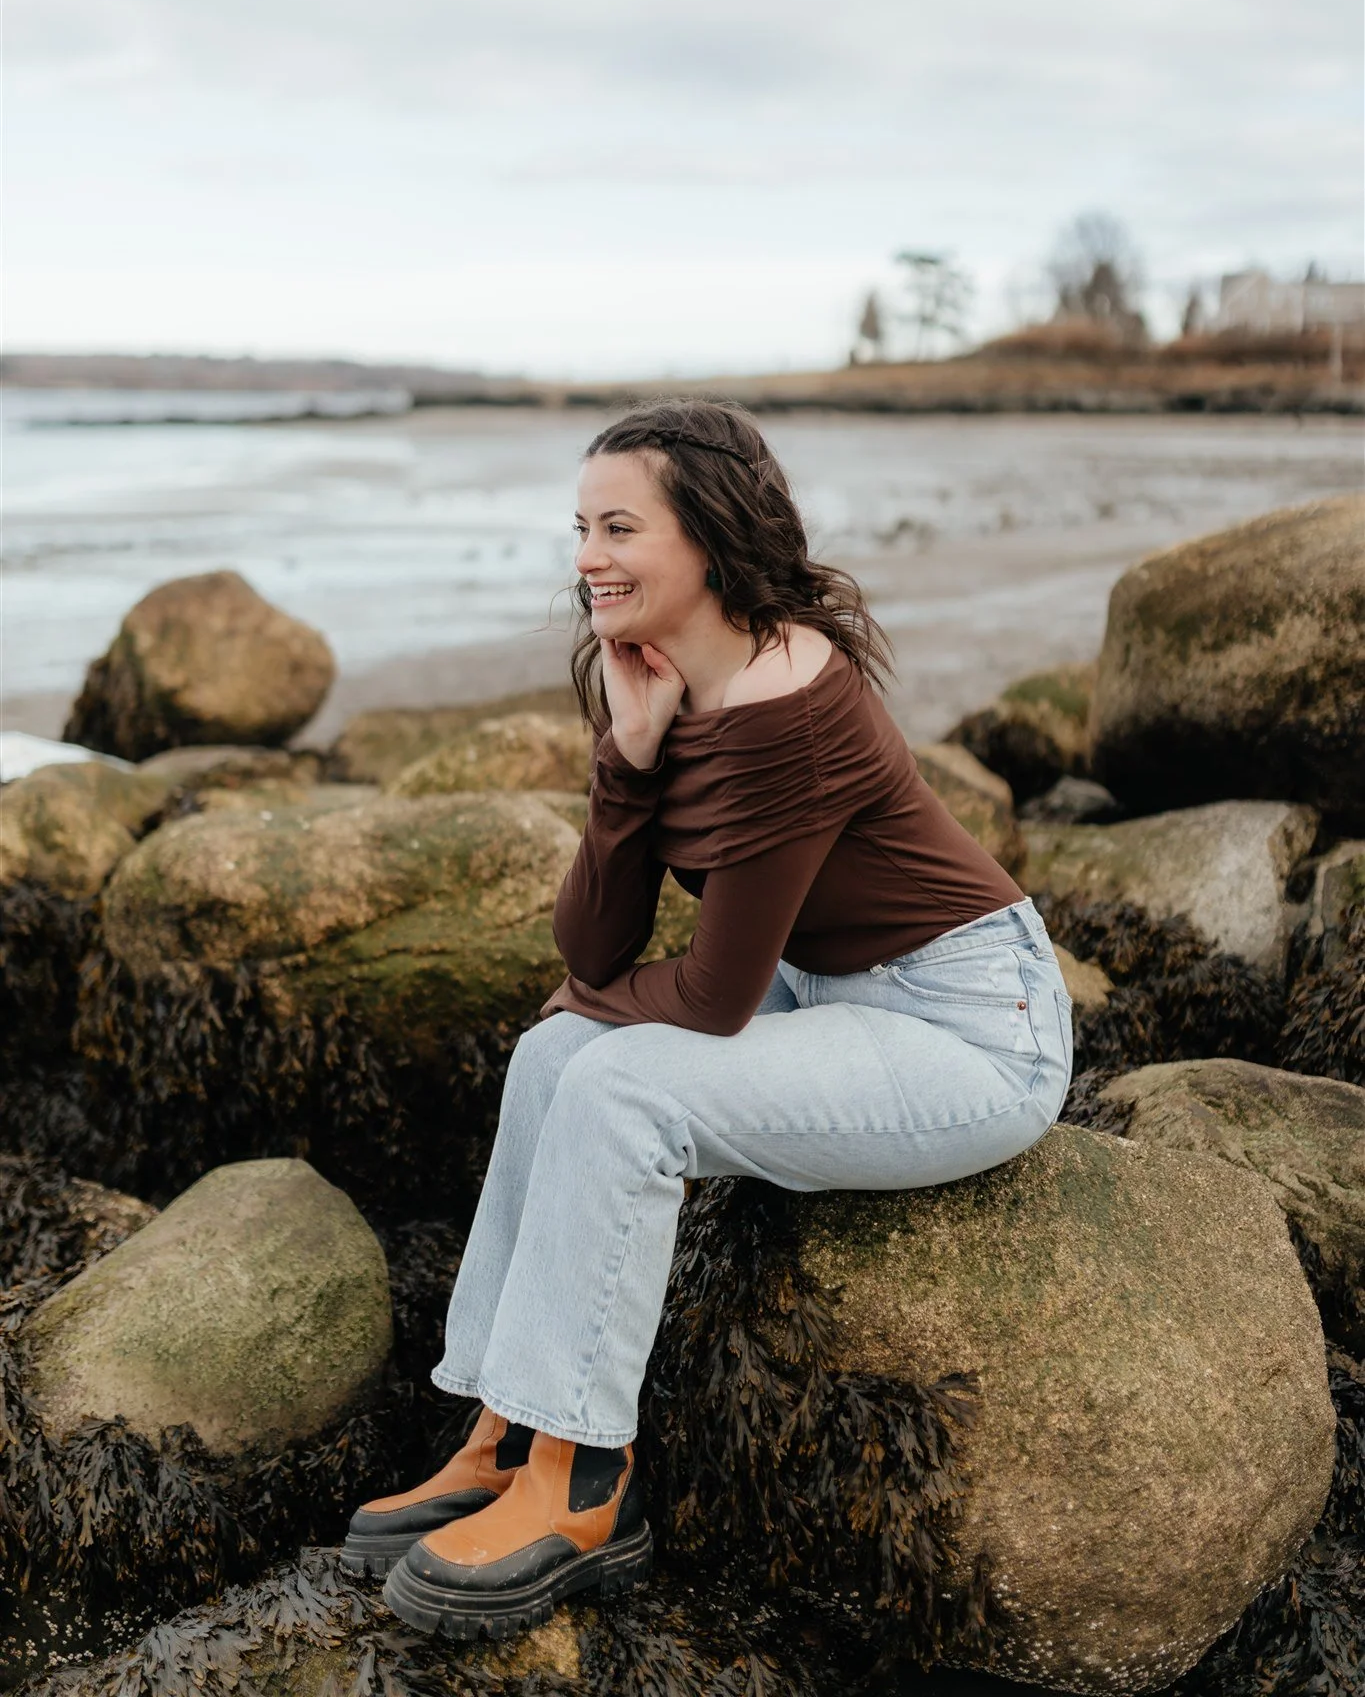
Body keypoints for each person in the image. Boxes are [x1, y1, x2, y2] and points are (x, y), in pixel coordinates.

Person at [344, 398, 1074, 1640]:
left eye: (619, 526)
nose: (587, 555)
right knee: (555, 1050)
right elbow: (594, 950)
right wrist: (628, 762)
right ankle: (503, 1426)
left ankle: (584, 1485)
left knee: (624, 1089)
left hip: (969, 1026)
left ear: (710, 537)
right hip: (834, 987)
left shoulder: (788, 708)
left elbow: (714, 998)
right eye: (580, 525)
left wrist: (598, 995)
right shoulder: (667, 674)